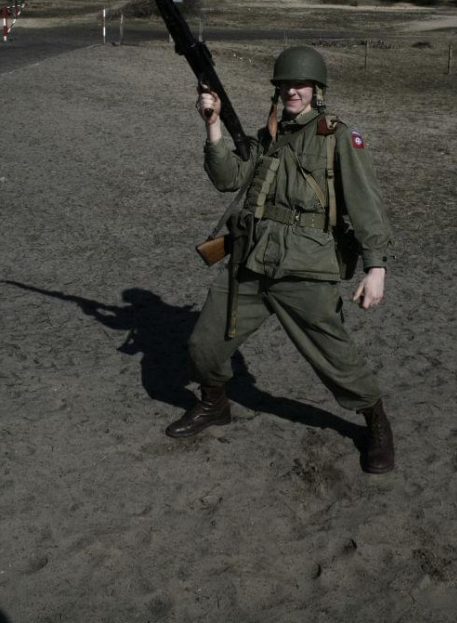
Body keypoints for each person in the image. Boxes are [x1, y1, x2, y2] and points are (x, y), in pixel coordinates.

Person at [166, 46, 394, 473]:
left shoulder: (338, 136)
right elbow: (227, 178)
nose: (293, 91)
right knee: (204, 345)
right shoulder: (269, 136)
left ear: (316, 90)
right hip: (251, 262)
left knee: (335, 357)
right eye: (286, 85)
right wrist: (213, 125)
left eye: (301, 85)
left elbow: (367, 204)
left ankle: (376, 422)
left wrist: (375, 268)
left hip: (306, 267)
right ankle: (215, 404)